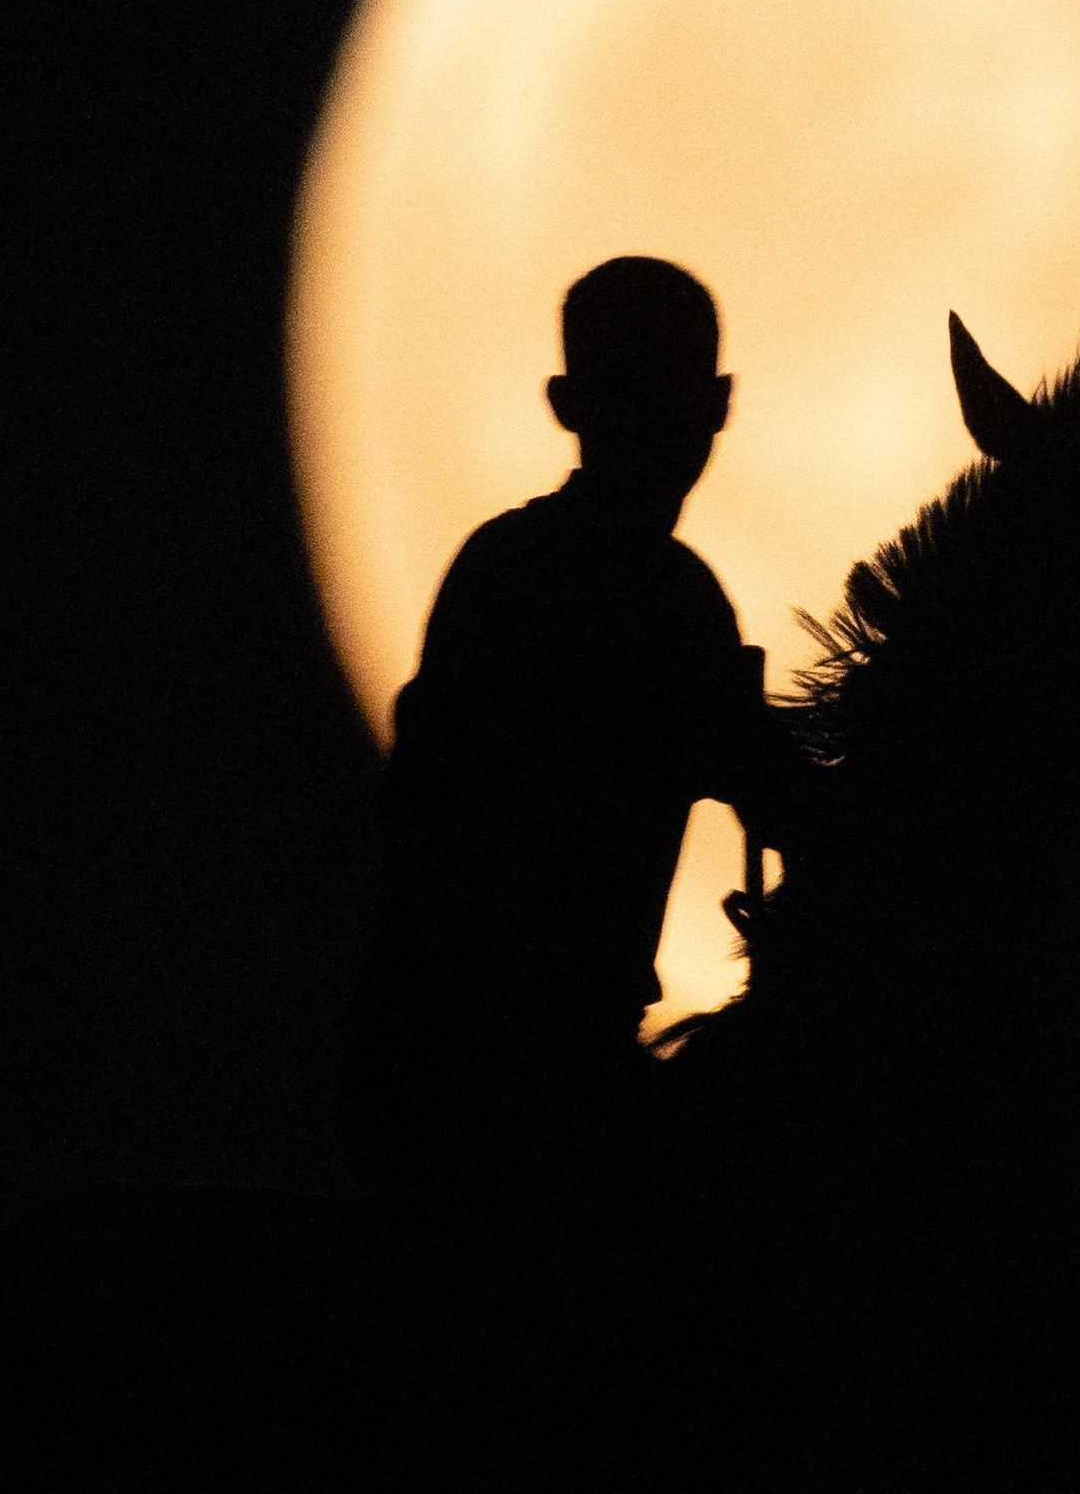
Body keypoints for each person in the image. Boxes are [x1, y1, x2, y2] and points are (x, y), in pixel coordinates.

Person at [340, 258, 774, 1470]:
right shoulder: (612, 591)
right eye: (640, 391)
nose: (665, 423)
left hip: (521, 1056)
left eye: (672, 391)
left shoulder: (579, 581)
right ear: (573, 405)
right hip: (494, 1074)